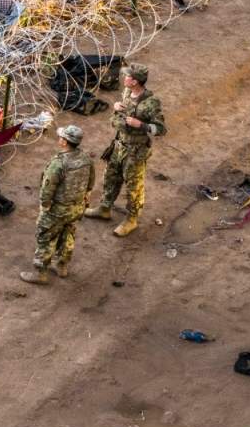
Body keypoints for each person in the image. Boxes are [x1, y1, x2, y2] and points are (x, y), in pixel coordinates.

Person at [84, 64, 166, 236]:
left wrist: (141, 125)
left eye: (127, 76)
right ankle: (105, 208)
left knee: (134, 187)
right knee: (110, 177)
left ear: (135, 81)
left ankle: (131, 220)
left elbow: (161, 129)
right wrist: (116, 108)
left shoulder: (151, 103)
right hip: (119, 145)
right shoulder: (127, 92)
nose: (124, 78)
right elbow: (119, 116)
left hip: (135, 152)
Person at [21, 125, 96, 284]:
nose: (59, 138)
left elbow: (47, 188)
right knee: (68, 234)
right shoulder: (86, 158)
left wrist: (45, 206)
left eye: (61, 137)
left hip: (57, 209)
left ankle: (41, 273)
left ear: (64, 142)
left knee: (45, 237)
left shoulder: (59, 163)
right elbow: (91, 182)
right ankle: (61, 266)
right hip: (76, 207)